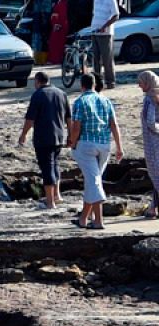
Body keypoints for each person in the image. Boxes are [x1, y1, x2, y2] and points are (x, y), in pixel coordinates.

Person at [70, 72, 122, 229]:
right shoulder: (105, 100)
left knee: (93, 181)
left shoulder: (80, 101)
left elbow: (76, 126)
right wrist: (119, 146)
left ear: (82, 85)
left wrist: (72, 142)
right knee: (93, 180)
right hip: (104, 144)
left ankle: (98, 220)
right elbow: (114, 124)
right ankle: (83, 219)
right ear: (94, 84)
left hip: (86, 144)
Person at [20, 71, 70, 209]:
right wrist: (70, 135)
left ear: (37, 81)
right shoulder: (61, 93)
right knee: (55, 164)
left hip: (43, 137)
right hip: (59, 136)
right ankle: (57, 195)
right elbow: (69, 118)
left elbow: (30, 119)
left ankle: (50, 202)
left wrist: (23, 134)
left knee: (47, 167)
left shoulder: (38, 95)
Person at [140, 69, 159, 218]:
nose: (139, 86)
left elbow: (151, 122)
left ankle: (154, 208)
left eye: (141, 82)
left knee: (155, 175)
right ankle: (153, 208)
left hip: (153, 143)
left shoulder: (149, 99)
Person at [91, 0, 118, 88]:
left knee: (107, 59)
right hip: (95, 31)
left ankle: (110, 82)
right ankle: (97, 82)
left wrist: (104, 26)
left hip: (105, 33)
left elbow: (116, 15)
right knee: (96, 59)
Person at [48, 0, 69, 65]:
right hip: (60, 26)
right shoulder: (60, 3)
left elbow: (62, 15)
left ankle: (56, 59)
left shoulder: (62, 3)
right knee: (55, 43)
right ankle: (56, 59)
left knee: (57, 43)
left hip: (61, 27)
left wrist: (56, 24)